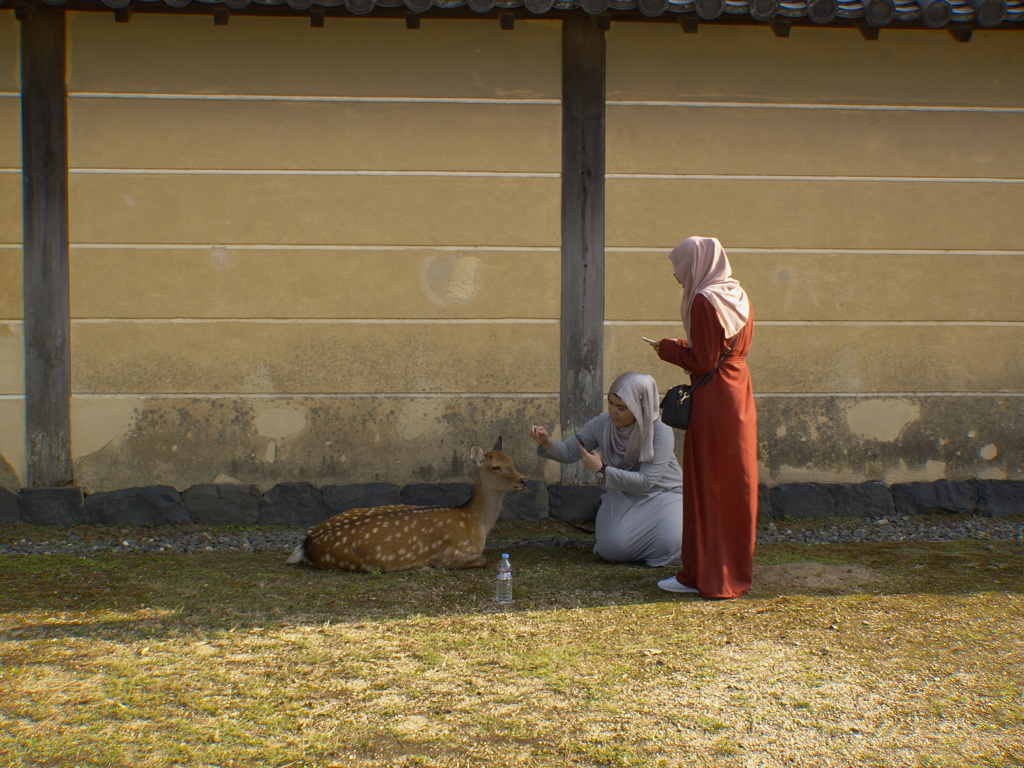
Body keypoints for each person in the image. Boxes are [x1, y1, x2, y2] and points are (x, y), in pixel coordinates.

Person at [652, 236, 757, 599]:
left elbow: (703, 361)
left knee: (707, 483)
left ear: (695, 264)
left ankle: (706, 575)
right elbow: (720, 353)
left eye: (679, 267)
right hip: (738, 393)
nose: (678, 275)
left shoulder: (703, 300)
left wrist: (667, 349)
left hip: (713, 400)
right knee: (734, 483)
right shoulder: (737, 294)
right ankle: (731, 570)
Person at [528, 372, 683, 567]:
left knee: (673, 542)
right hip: (622, 495)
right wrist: (547, 443)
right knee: (612, 548)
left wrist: (603, 470)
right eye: (610, 403)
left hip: (664, 495)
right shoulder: (603, 423)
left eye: (621, 408)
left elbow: (646, 481)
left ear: (640, 407)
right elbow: (569, 452)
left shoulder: (660, 430)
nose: (613, 411)